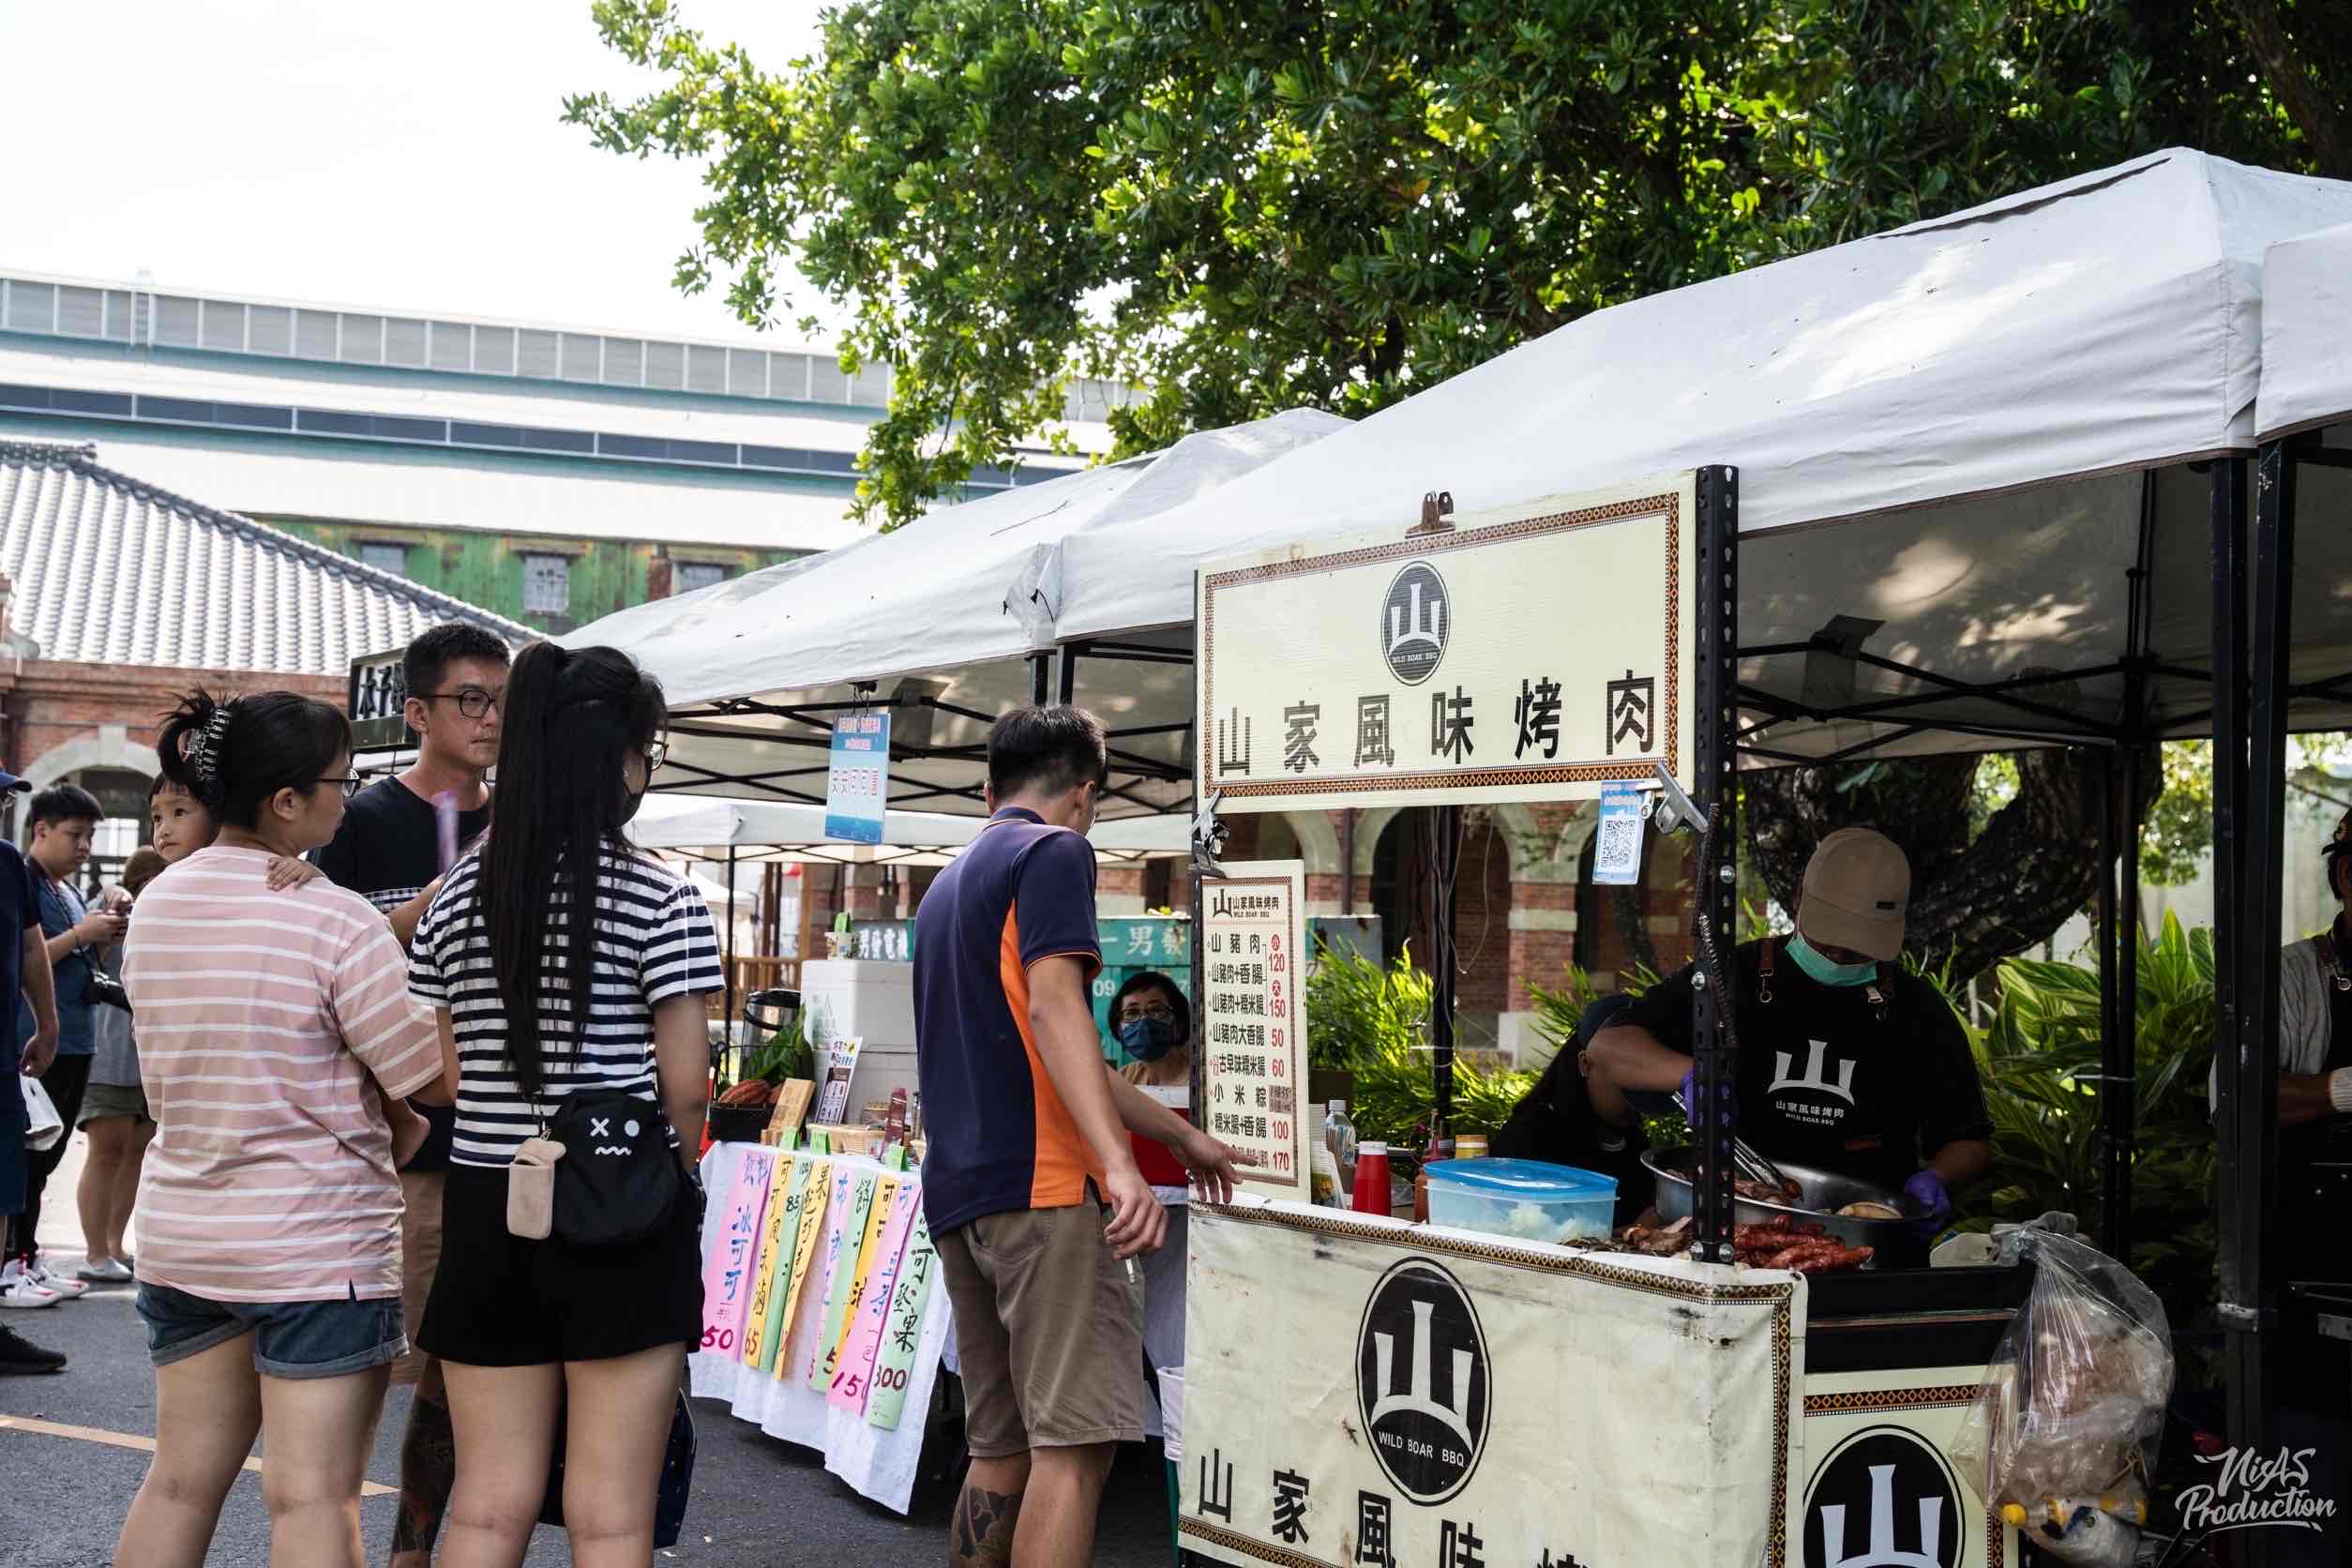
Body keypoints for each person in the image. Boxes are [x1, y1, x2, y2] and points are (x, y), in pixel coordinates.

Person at [114, 690, 447, 1568]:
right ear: (287, 802)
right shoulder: (332, 917)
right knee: (311, 1500)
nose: (353, 795)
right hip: (318, 1252)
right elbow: (428, 1073)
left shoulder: (157, 906)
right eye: (343, 779)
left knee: (179, 1483)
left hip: (187, 1237)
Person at [408, 641, 719, 1568]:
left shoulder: (461, 895)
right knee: (610, 1513)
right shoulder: (663, 899)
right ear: (624, 760)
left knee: (487, 1502)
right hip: (618, 1213)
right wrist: (677, 1162)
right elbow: (690, 1088)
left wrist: (513, 1112)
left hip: (485, 1207)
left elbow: (435, 1071)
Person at [912, 704, 1240, 1568]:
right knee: (1076, 1448)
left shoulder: (948, 885)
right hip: (1046, 1194)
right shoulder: (1054, 852)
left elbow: (1063, 1051)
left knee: (999, 1446)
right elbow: (1058, 1009)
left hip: (959, 1197)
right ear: (1085, 794)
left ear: (991, 787)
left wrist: (1182, 1135)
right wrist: (1120, 1166)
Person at [310, 621, 506, 1568]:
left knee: (466, 1377)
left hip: (510, 1141)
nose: (492, 718)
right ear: (417, 710)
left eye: (503, 699)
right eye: (472, 698)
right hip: (405, 1144)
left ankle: (415, 1546)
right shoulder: (355, 822)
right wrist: (441, 893)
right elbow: (329, 948)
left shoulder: (524, 818)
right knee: (391, 1366)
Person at [1583, 827, 1992, 1244]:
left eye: (1856, 950)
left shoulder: (1919, 1009)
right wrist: (1693, 1075)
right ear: (1798, 898)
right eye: (1829, 941)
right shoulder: (1732, 976)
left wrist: (1937, 1178)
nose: (1838, 955)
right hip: (1736, 1220)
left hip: (1863, 1237)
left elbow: (1968, 1140)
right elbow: (1608, 1047)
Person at [3, 784, 126, 1304]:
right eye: (74, 835)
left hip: (74, 1039)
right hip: (33, 1041)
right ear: (41, 831)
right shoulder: (22, 876)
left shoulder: (65, 889)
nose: (84, 847)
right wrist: (81, 934)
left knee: (45, 1161)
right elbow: (27, 956)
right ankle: (15, 1264)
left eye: (90, 836)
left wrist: (101, 924)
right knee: (26, 1162)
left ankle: (27, 1255)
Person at [74, 844, 168, 1284]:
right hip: (109, 1052)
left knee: (136, 1154)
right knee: (107, 1151)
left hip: (150, 1058)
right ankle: (95, 1250)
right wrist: (115, 893)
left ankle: (114, 1243)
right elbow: (99, 909)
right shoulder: (113, 914)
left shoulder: (171, 918)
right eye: (147, 881)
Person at [0, 769, 67, 1371]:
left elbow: (29, 946)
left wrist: (46, 1024)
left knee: (3, 1183)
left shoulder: (5, 863)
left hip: (0, 1056)